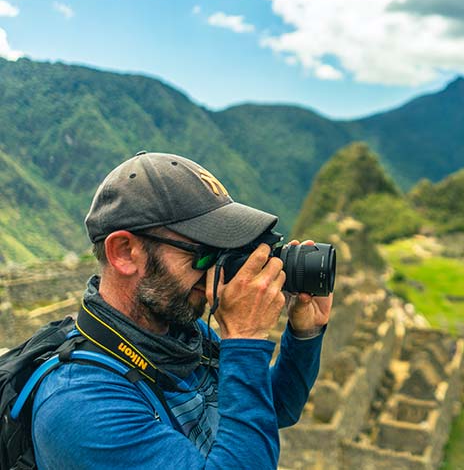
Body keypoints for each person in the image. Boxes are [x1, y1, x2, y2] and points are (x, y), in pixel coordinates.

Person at [30, 151, 332, 469]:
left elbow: (271, 410)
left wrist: (305, 335)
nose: (215, 273)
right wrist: (245, 339)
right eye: (204, 254)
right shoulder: (81, 405)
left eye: (224, 253)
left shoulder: (178, 331)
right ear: (124, 252)